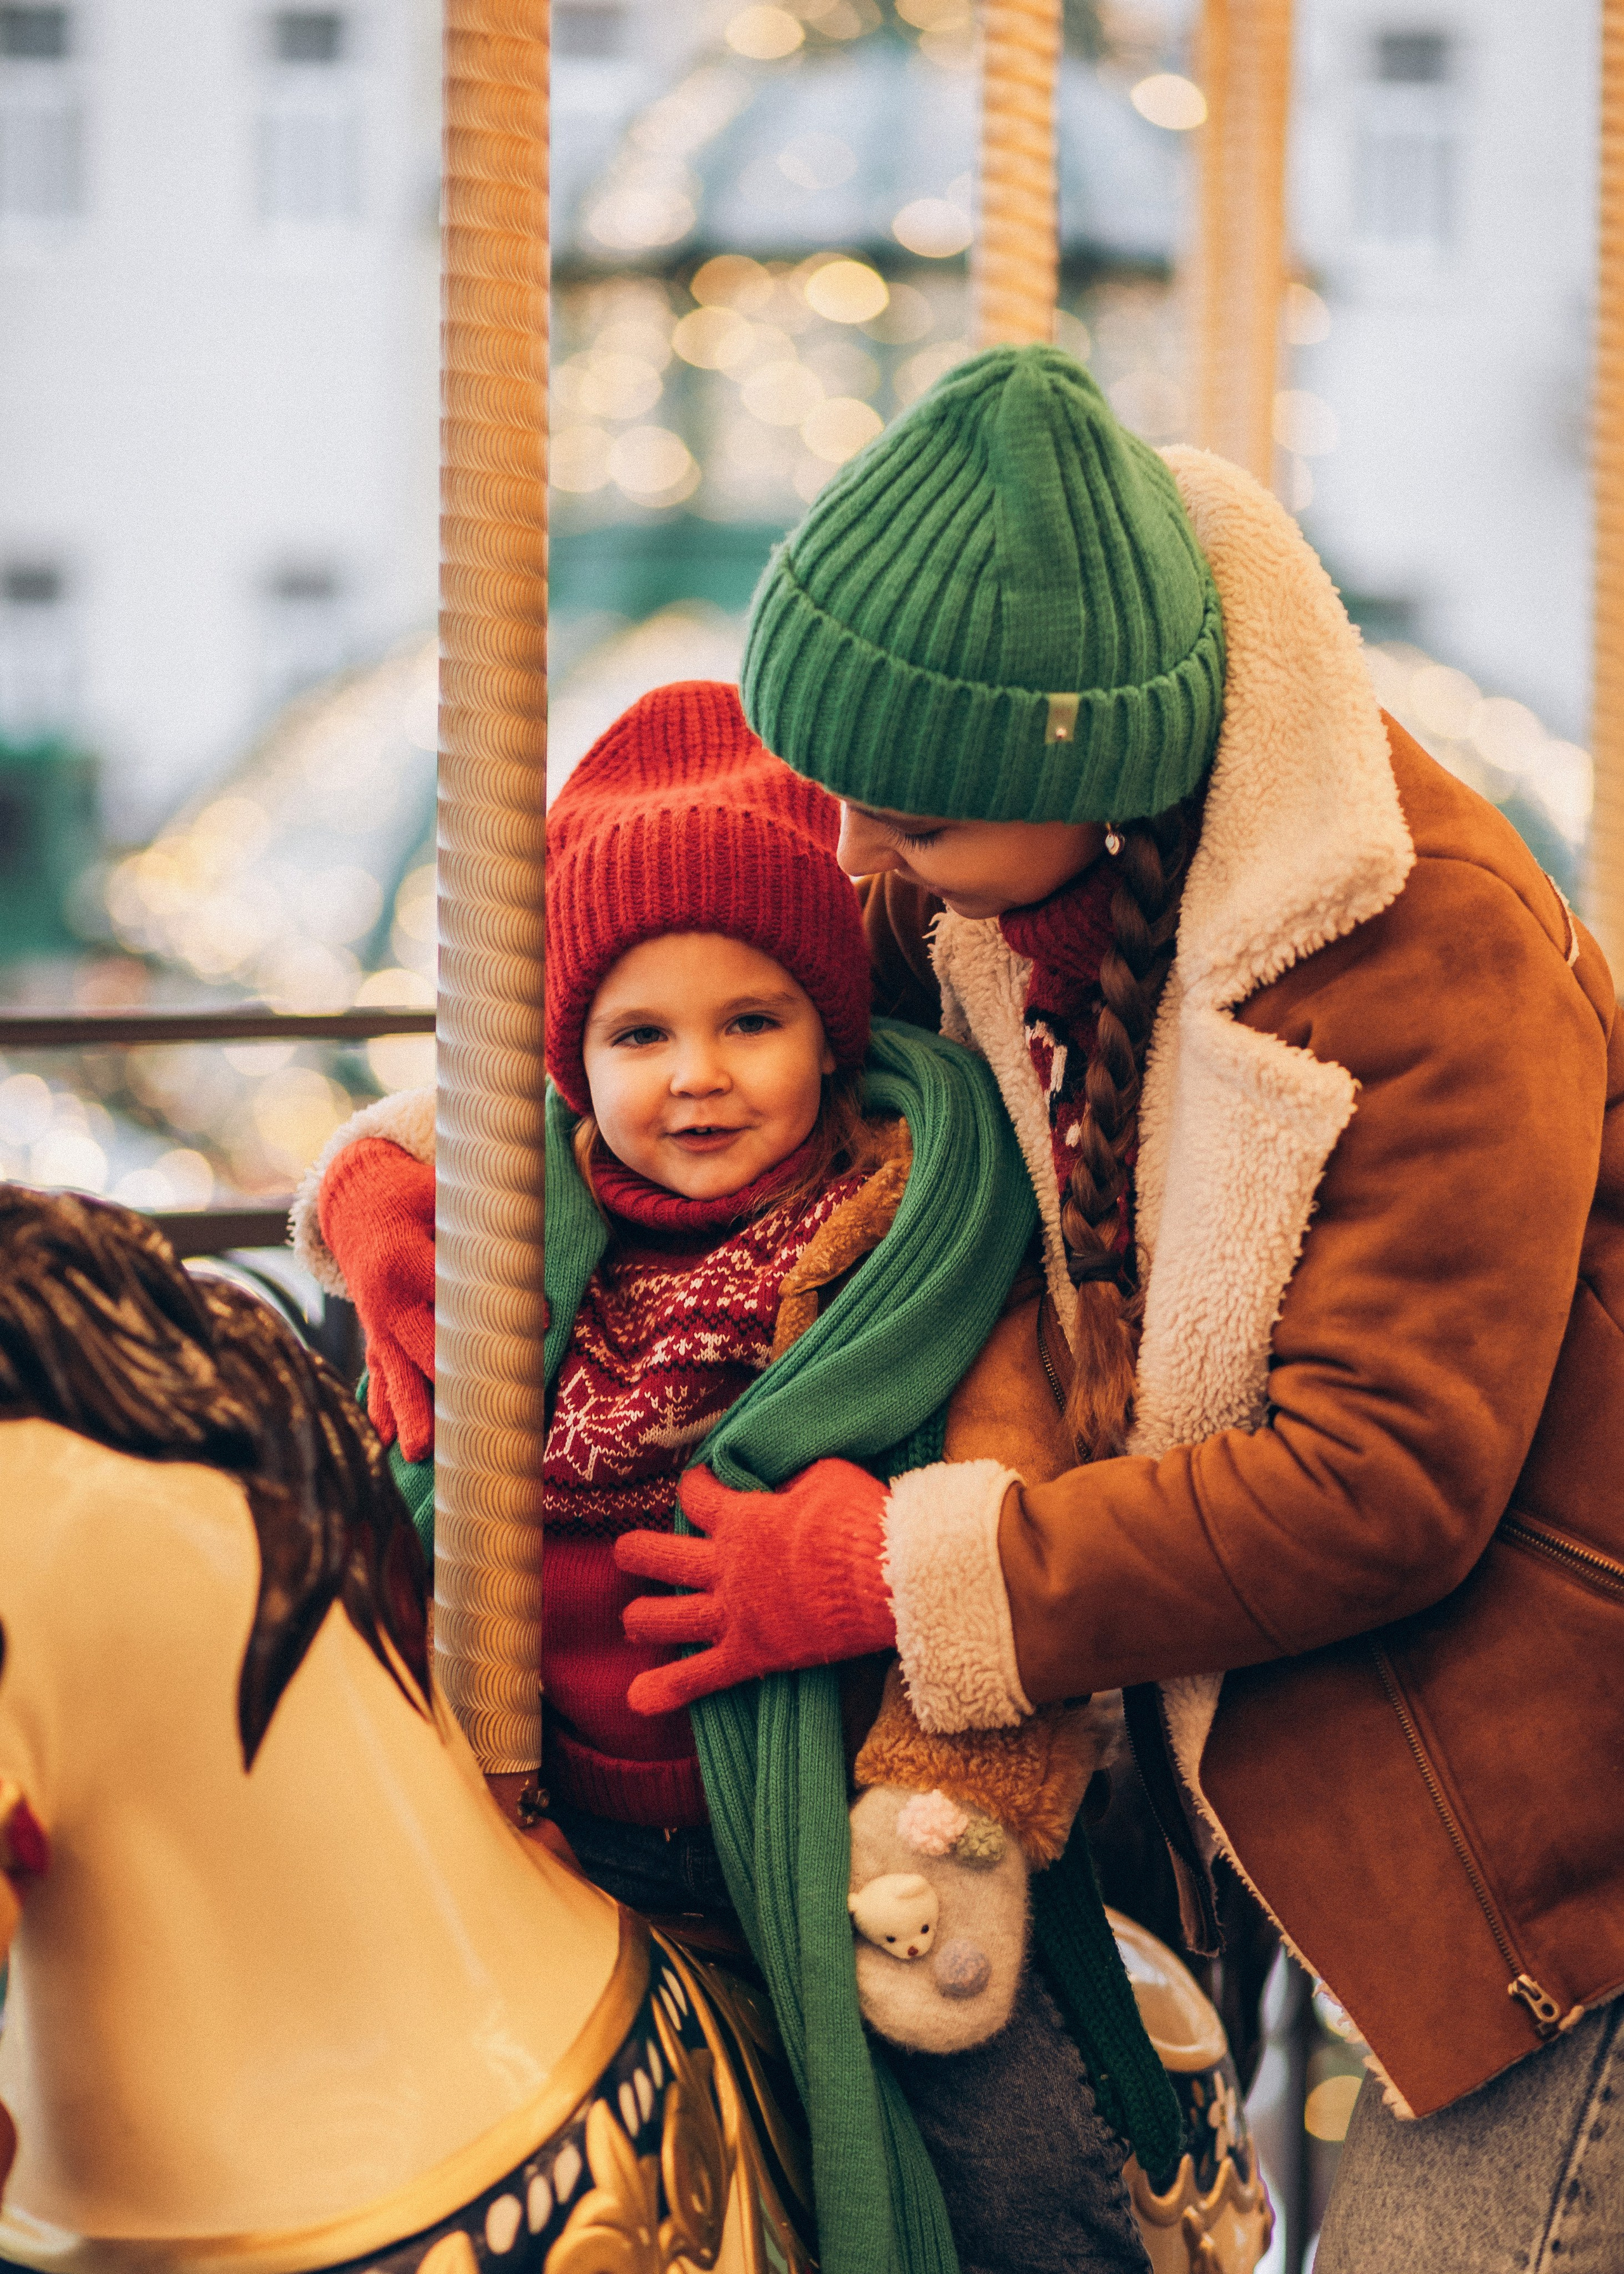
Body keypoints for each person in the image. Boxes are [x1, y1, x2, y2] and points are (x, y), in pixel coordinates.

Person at [607, 346, 1624, 2269]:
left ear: (1075, 781)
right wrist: (426, 1168)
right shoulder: (1005, 874)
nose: (851, 855)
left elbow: (1380, 1480)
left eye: (905, 819)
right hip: (1244, 1756)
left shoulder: (1435, 957)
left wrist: (896, 1580)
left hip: (1538, 1833)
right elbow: (707, 989)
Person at [294, 678, 1182, 2274]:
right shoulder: (527, 1217)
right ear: (575, 1060)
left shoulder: (913, 1229)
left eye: (749, 1023)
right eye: (641, 1033)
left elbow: (997, 1498)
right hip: (551, 1823)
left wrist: (942, 1823)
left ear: (831, 1037)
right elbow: (392, 1165)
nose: (693, 1076)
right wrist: (364, 1198)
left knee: (1017, 2164)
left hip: (846, 1835)